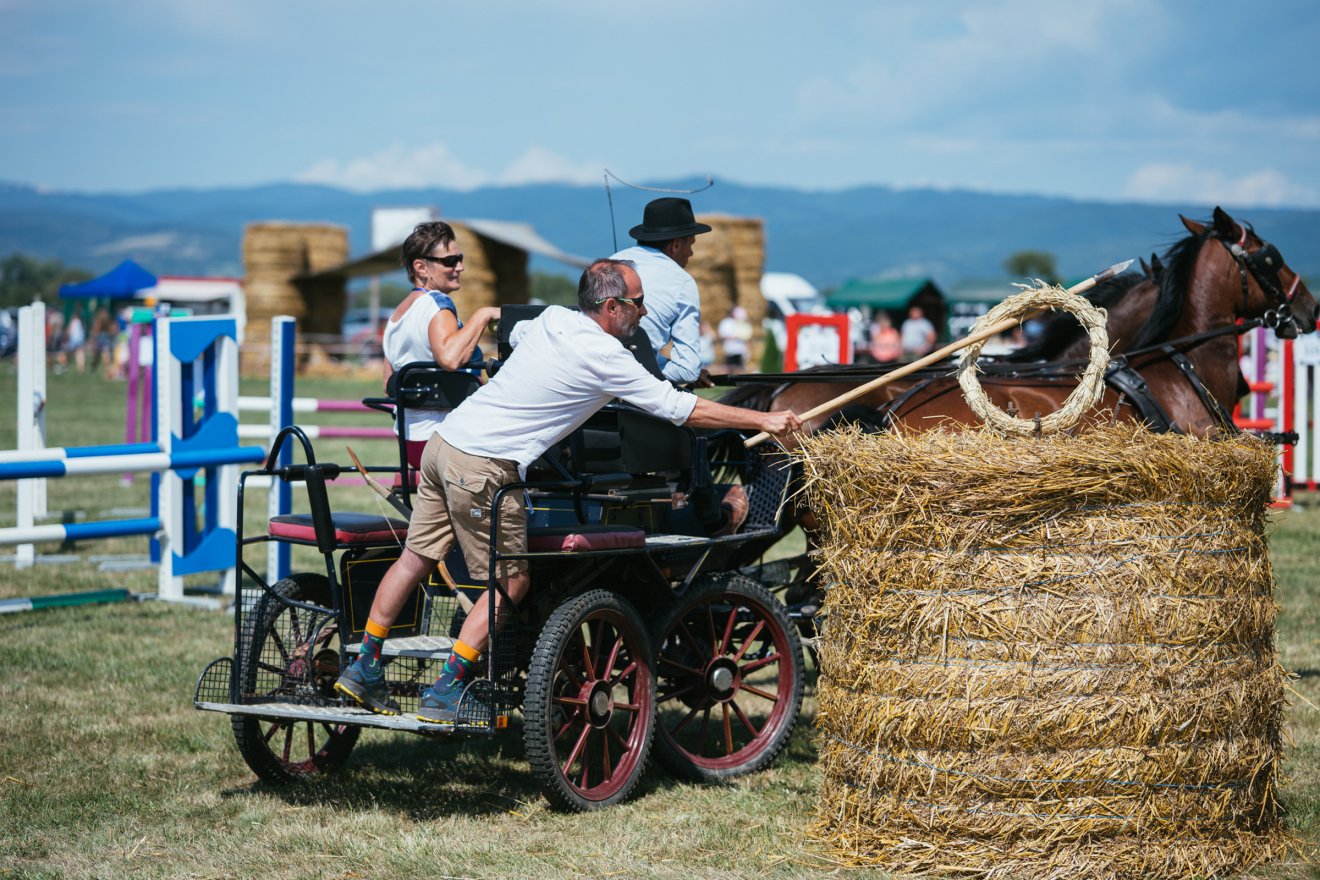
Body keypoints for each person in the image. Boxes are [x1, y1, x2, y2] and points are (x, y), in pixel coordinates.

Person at [334, 259, 802, 723]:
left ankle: (364, 666)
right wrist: (764, 420)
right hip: (482, 465)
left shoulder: (554, 318)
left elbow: (515, 334)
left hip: (444, 445)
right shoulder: (607, 357)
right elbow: (677, 408)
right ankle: (447, 688)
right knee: (511, 582)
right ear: (612, 307)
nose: (643, 312)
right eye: (638, 303)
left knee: (415, 558)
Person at [383, 221, 499, 467]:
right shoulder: (437, 305)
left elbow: (388, 384)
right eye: (450, 261)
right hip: (446, 439)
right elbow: (449, 358)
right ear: (421, 267)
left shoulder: (397, 315)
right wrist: (483, 315)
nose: (460, 267)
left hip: (409, 441)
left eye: (460, 258)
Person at [610, 197, 712, 385]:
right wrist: (656, 366)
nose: (691, 253)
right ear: (676, 245)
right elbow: (687, 370)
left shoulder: (607, 264)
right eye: (691, 245)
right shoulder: (683, 282)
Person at [718, 306, 753, 372]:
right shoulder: (726, 322)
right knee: (730, 369)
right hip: (730, 350)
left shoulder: (740, 322)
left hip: (740, 351)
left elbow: (746, 336)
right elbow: (722, 335)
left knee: (739, 369)